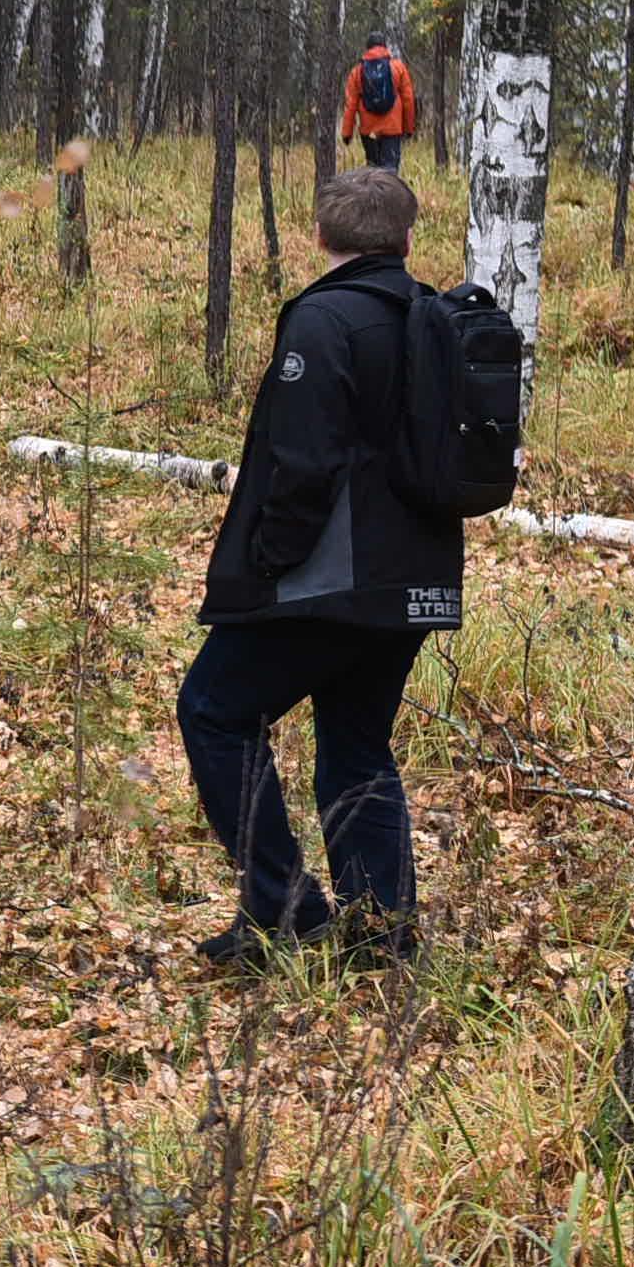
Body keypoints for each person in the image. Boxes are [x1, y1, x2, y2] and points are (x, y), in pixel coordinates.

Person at [179, 169, 462, 973]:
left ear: (319, 238)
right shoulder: (434, 315)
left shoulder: (322, 319)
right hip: (412, 578)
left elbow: (303, 460)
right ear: (408, 239)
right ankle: (383, 932)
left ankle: (284, 907)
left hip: (324, 580)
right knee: (356, 742)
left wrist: (267, 559)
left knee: (213, 709)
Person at [340, 36, 417, 170]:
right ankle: (390, 191)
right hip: (393, 129)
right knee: (390, 173)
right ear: (385, 46)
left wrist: (347, 134)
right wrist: (408, 128)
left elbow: (350, 105)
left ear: (368, 48)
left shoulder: (357, 71)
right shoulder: (398, 67)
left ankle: (374, 191)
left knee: (372, 173)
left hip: (369, 131)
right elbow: (408, 100)